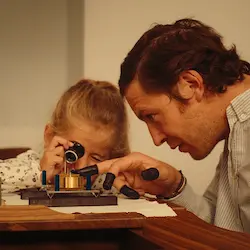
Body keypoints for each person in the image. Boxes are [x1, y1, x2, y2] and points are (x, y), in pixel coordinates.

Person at [77, 19, 250, 234]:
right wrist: (173, 186)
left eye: (151, 116)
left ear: (191, 84)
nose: (156, 139)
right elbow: (222, 228)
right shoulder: (236, 128)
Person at [0, 79, 130, 193]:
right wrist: (39, 174)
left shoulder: (102, 179)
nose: (81, 167)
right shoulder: (30, 165)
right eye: (73, 152)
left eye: (96, 158)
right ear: (50, 137)